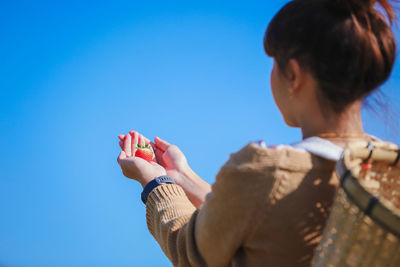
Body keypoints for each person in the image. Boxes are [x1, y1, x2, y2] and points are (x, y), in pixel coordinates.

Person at [117, 0, 397, 266]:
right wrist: (183, 177)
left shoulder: (265, 172)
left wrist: (155, 182)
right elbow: (260, 215)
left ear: (294, 75)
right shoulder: (389, 175)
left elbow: (189, 253)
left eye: (274, 62)